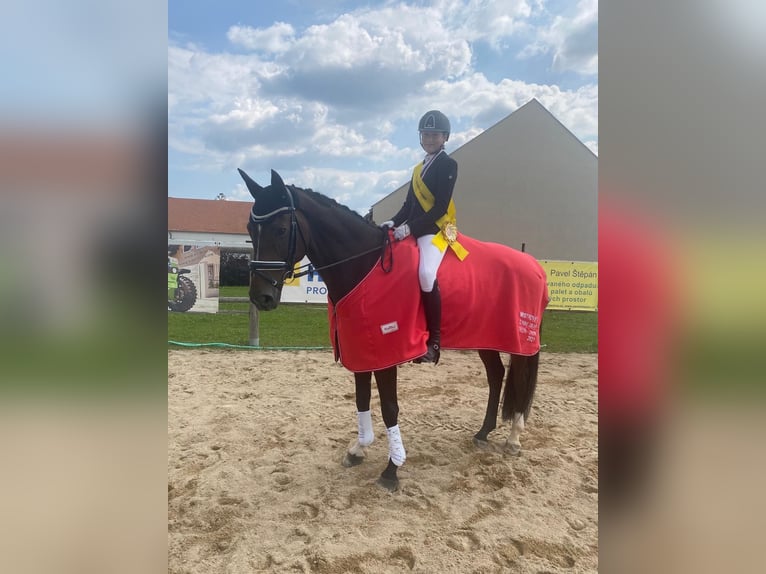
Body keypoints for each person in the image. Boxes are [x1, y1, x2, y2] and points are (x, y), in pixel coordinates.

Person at [380, 110, 468, 364]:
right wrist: (393, 221)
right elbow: (408, 205)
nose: (429, 139)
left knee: (426, 274)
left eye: (434, 135)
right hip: (415, 227)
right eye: (426, 134)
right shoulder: (419, 169)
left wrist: (410, 229)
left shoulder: (448, 165)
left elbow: (439, 207)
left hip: (434, 230)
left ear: (444, 137)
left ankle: (435, 343)